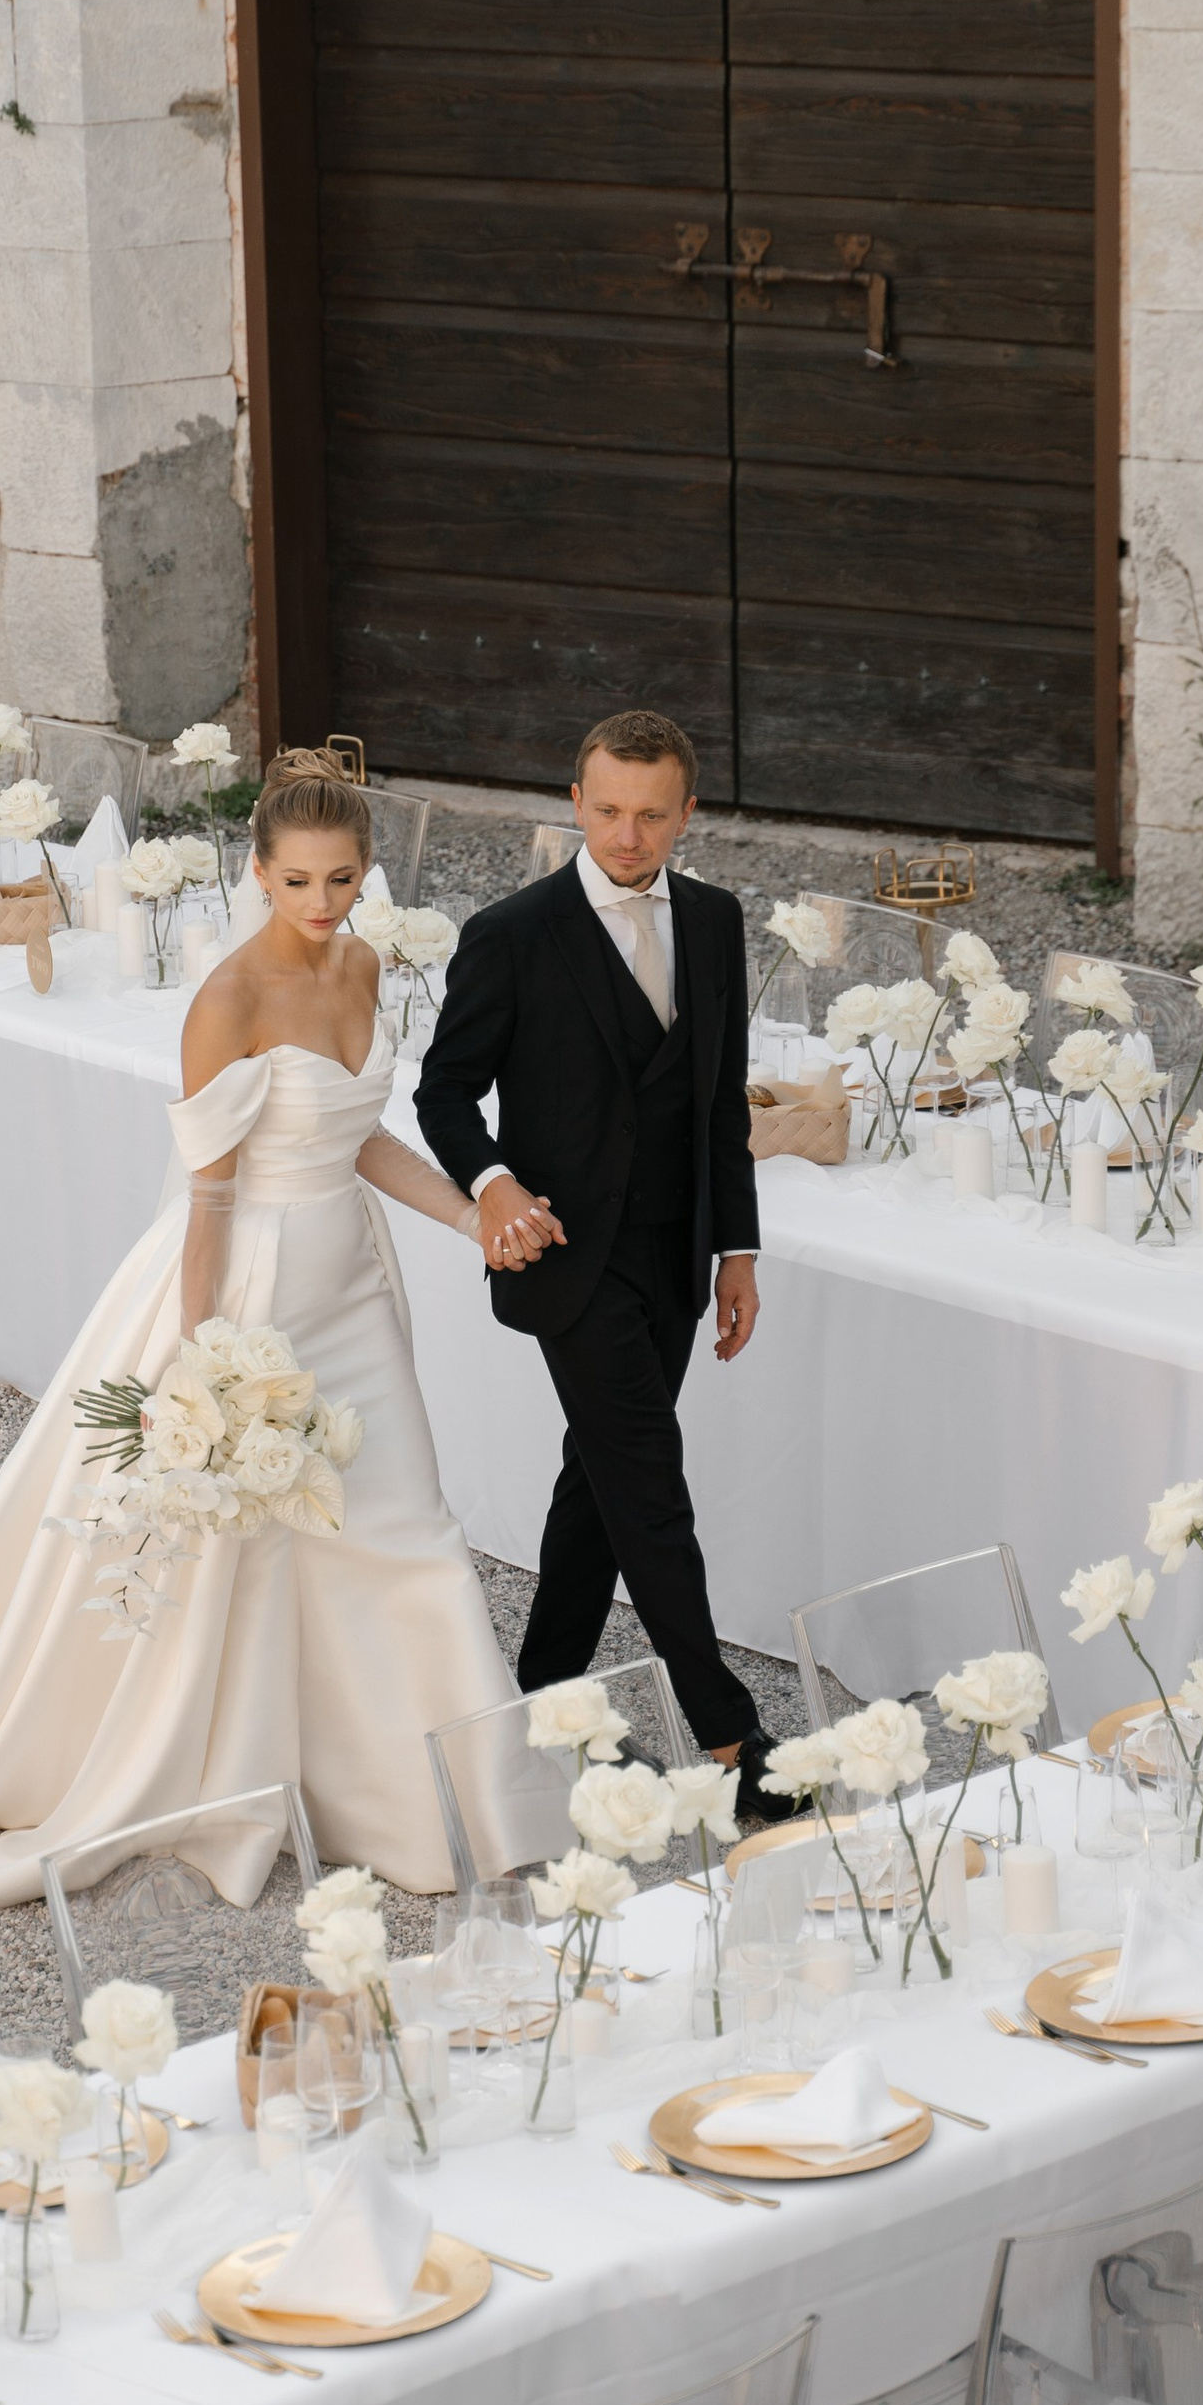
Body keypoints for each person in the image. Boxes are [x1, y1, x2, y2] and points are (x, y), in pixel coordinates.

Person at [0, 748, 517, 1902]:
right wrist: (201, 1358)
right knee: (246, 1544)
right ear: (259, 871)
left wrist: (470, 1217)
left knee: (400, 1523)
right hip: (253, 1292)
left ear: (366, 871)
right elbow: (212, 1196)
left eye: (341, 880)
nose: (321, 903)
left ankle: (445, 1797)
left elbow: (359, 1138)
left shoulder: (362, 965)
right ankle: (246, 1772)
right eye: (297, 881)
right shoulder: (228, 999)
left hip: (354, 1285)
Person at [415, 708, 782, 1813]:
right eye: (609, 811)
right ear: (576, 803)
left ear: (687, 813)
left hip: (676, 1253)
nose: (628, 837)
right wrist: (493, 1184)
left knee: (602, 1475)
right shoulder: (512, 934)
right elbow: (443, 1092)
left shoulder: (714, 921)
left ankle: (542, 1688)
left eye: (652, 816)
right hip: (567, 1259)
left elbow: (720, 1104)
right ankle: (732, 1737)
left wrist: (736, 1249)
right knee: (647, 1480)